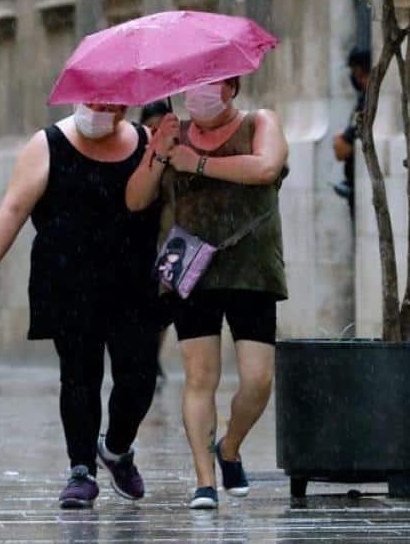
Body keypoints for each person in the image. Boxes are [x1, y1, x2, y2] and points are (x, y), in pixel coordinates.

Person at [0, 102, 162, 509]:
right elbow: (14, 208)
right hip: (69, 279)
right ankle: (81, 469)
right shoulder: (47, 144)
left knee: (139, 377)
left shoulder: (147, 140)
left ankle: (117, 449)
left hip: (133, 281)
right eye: (94, 101)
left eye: (110, 103)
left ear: (123, 106)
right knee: (79, 375)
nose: (101, 110)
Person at [126, 76, 288, 510]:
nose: (198, 94)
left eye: (210, 84)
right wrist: (159, 152)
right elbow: (136, 199)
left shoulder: (259, 123)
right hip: (191, 269)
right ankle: (204, 480)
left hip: (252, 268)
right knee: (200, 377)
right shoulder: (171, 134)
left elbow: (265, 168)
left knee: (258, 380)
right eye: (192, 86)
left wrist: (196, 163)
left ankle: (229, 447)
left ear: (232, 87)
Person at [139, 100, 173, 393]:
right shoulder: (137, 151)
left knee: (164, 308)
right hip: (143, 238)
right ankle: (147, 356)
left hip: (171, 240)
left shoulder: (178, 149)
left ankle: (153, 356)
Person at [333, 48, 370, 215]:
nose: (355, 78)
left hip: (363, 187)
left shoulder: (367, 102)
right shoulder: (363, 100)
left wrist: (340, 138)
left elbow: (342, 149)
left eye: (357, 72)